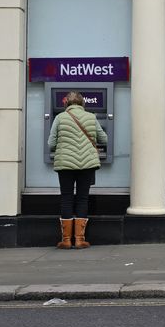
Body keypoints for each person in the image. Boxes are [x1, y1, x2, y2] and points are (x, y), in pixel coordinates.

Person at [48, 91, 107, 249]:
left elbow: (51, 143)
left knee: (66, 198)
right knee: (82, 198)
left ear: (66, 104)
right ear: (82, 103)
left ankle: (66, 240)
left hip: (65, 164)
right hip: (87, 164)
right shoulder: (91, 117)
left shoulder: (60, 117)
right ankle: (80, 240)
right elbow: (104, 139)